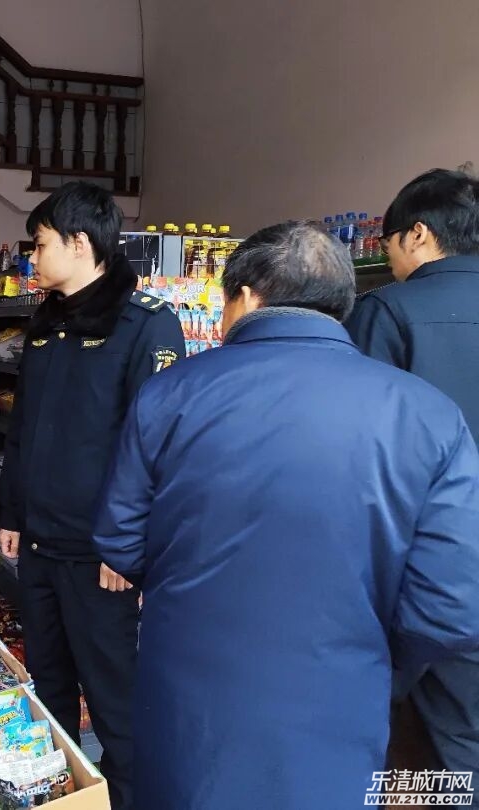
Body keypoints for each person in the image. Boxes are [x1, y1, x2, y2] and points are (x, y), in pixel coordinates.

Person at [92, 220, 479, 810]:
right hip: (339, 696)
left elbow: (119, 538)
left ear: (246, 297)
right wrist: (370, 659)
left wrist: (188, 590)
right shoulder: (428, 414)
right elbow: (453, 603)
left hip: (188, 688)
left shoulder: (171, 394)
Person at [0, 181, 185, 810]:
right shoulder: (47, 322)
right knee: (48, 689)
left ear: (80, 244)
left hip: (101, 557)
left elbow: (156, 448)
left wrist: (128, 546)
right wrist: (13, 511)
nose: (32, 257)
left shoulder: (145, 325)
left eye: (40, 244)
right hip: (41, 546)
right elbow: (24, 427)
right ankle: (63, 796)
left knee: (113, 701)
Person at [346, 168, 479, 793]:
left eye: (390, 242)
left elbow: (359, 451)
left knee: (414, 737)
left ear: (418, 234)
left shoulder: (389, 312)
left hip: (427, 565)